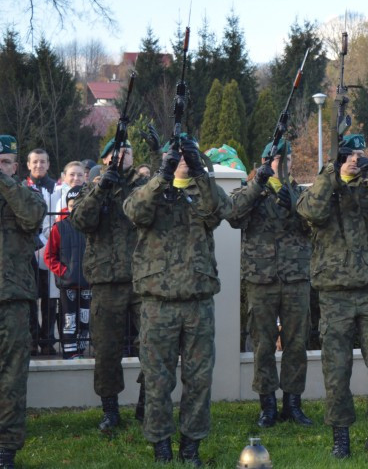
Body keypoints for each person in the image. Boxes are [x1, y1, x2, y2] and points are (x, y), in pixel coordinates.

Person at [297, 134, 368, 459]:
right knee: (337, 369)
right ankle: (340, 437)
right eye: (348, 154)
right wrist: (331, 173)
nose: (354, 159)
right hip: (335, 293)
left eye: (359, 154)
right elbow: (310, 212)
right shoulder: (323, 187)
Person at [123, 135, 232, 465]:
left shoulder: (205, 190)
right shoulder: (151, 189)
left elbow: (221, 212)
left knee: (199, 378)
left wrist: (200, 173)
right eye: (178, 154)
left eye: (189, 153)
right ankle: (160, 444)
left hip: (198, 301)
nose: (183, 157)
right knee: (157, 379)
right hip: (158, 301)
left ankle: (191, 445)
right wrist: (162, 176)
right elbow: (135, 212)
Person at [228, 140, 314, 428]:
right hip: (261, 278)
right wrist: (257, 184)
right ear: (265, 161)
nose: (282, 163)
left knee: (296, 343)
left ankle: (293, 403)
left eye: (286, 159)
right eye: (276, 158)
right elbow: (233, 215)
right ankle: (267, 405)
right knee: (263, 344)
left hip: (295, 277)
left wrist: (295, 206)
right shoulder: (250, 191)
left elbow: (316, 223)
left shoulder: (301, 193)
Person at [69, 139, 147, 432]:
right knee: (106, 349)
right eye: (117, 152)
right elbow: (80, 221)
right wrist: (102, 188)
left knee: (152, 344)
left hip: (142, 278)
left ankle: (147, 400)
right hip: (106, 280)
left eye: (128, 152)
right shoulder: (92, 188)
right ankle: (110, 410)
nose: (123, 156)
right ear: (105, 159)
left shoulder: (143, 185)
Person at [0, 135, 48, 469]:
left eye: (5, 163)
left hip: (12, 299)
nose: (1, 168)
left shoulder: (27, 196)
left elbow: (33, 218)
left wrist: (3, 182)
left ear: (16, 166)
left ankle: (5, 449)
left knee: (12, 378)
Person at [44, 186, 91, 359]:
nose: (75, 208)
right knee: (69, 318)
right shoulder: (59, 227)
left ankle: (81, 349)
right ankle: (70, 352)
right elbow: (49, 256)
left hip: (88, 282)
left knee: (85, 318)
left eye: (80, 204)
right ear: (67, 206)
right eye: (72, 205)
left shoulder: (92, 226)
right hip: (68, 283)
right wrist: (64, 272)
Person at [26, 148, 58, 356]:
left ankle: (47, 339)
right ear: (28, 165)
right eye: (35, 162)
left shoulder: (57, 188)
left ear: (48, 164)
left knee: (50, 297)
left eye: (43, 161)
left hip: (52, 247)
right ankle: (32, 338)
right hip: (30, 247)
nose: (39, 165)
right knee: (30, 296)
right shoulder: (21, 187)